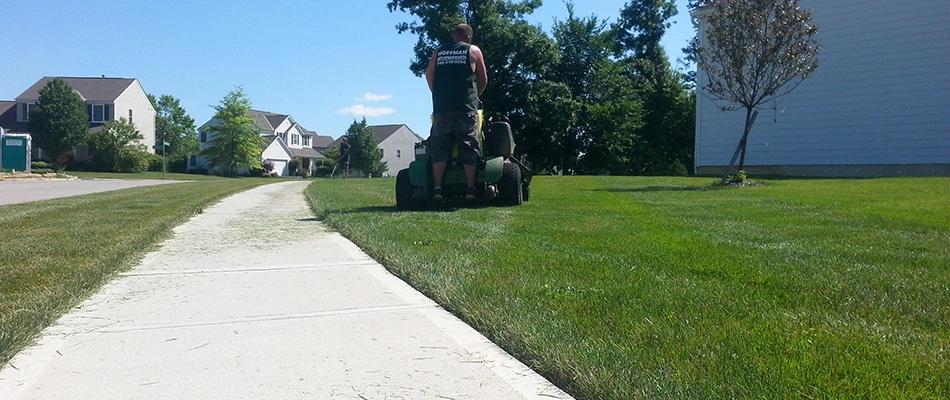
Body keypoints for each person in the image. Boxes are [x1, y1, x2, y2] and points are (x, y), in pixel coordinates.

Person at [425, 23, 488, 201]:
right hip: (465, 108)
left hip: (441, 109)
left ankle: (437, 189)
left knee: (439, 146)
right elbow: (483, 79)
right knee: (469, 145)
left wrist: (436, 93)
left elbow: (429, 75)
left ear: (454, 35)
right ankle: (470, 188)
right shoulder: (474, 51)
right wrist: (475, 97)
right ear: (469, 36)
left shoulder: (438, 51)